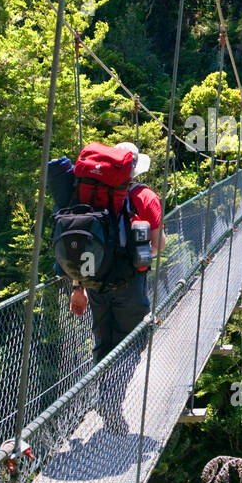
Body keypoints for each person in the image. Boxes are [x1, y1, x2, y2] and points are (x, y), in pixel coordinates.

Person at [67, 141, 164, 435]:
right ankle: (111, 402)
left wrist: (77, 287)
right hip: (130, 285)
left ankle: (103, 395)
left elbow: (78, 245)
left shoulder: (90, 197)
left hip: (94, 282)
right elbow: (157, 247)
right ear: (134, 169)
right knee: (130, 344)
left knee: (103, 342)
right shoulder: (146, 197)